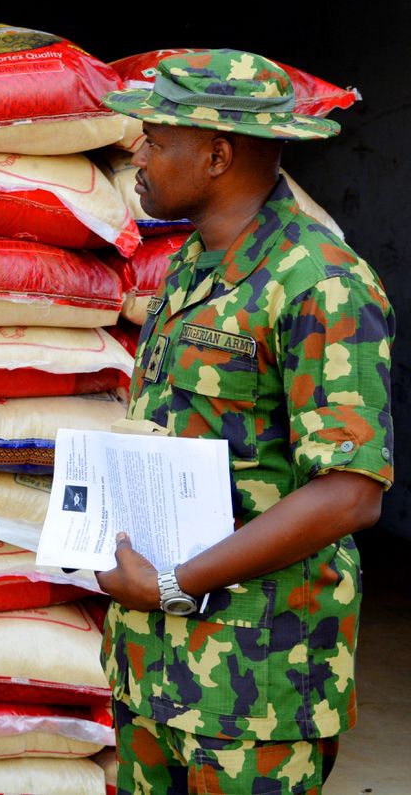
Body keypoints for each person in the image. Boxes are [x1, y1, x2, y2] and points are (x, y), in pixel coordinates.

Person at [95, 49, 394, 795]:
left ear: (218, 154)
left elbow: (351, 492)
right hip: (154, 664)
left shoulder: (319, 281)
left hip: (257, 681)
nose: (139, 155)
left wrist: (171, 583)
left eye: (158, 140)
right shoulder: (194, 265)